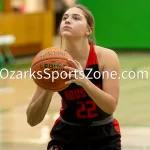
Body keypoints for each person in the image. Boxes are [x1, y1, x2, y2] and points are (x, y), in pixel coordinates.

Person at [26, 4, 121, 150]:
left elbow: (110, 106)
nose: (68, 20)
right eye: (65, 18)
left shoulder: (106, 57)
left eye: (76, 18)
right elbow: (32, 120)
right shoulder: (51, 62)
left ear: (88, 30)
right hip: (67, 134)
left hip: (103, 133)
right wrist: (49, 88)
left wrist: (84, 82)